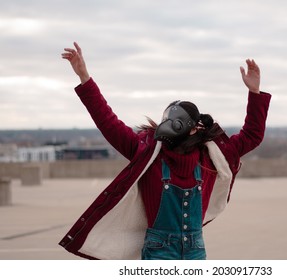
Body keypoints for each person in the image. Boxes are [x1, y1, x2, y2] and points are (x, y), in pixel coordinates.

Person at [59, 42, 271, 260]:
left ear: (194, 128)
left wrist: (255, 93)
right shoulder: (149, 153)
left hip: (195, 250)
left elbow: (252, 135)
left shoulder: (210, 157)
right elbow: (108, 122)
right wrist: (85, 78)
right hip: (158, 250)